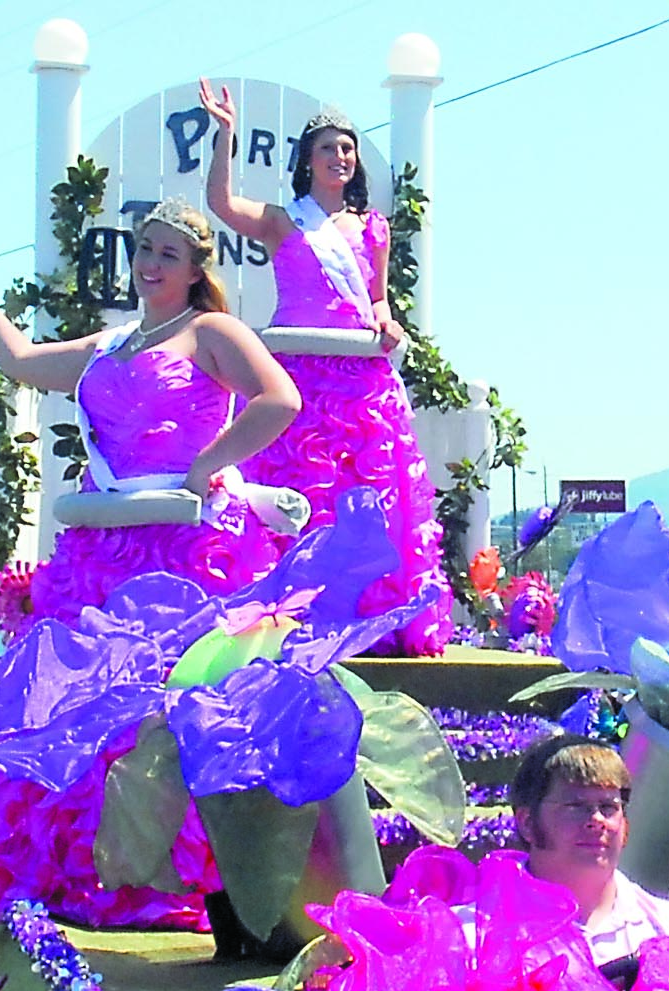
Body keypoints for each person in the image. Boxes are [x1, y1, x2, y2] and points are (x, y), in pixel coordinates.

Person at [0, 201, 299, 633]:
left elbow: (281, 400)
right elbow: (20, 360)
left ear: (194, 271)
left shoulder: (210, 331)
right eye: (145, 249)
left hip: (189, 542)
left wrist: (208, 464)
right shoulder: (108, 345)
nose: (151, 263)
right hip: (102, 548)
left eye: (168, 255)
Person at [198, 80, 451, 657]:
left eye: (348, 148)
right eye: (328, 148)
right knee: (295, 494)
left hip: (360, 383)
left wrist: (388, 322)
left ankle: (375, 611)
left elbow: (377, 300)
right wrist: (225, 135)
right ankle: (287, 611)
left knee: (367, 495)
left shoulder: (373, 228)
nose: (341, 157)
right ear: (306, 162)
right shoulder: (285, 222)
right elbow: (221, 205)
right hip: (297, 381)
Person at [513, 734, 669, 970]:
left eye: (608, 807)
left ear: (625, 827)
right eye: (575, 806)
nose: (596, 820)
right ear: (528, 823)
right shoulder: (475, 939)